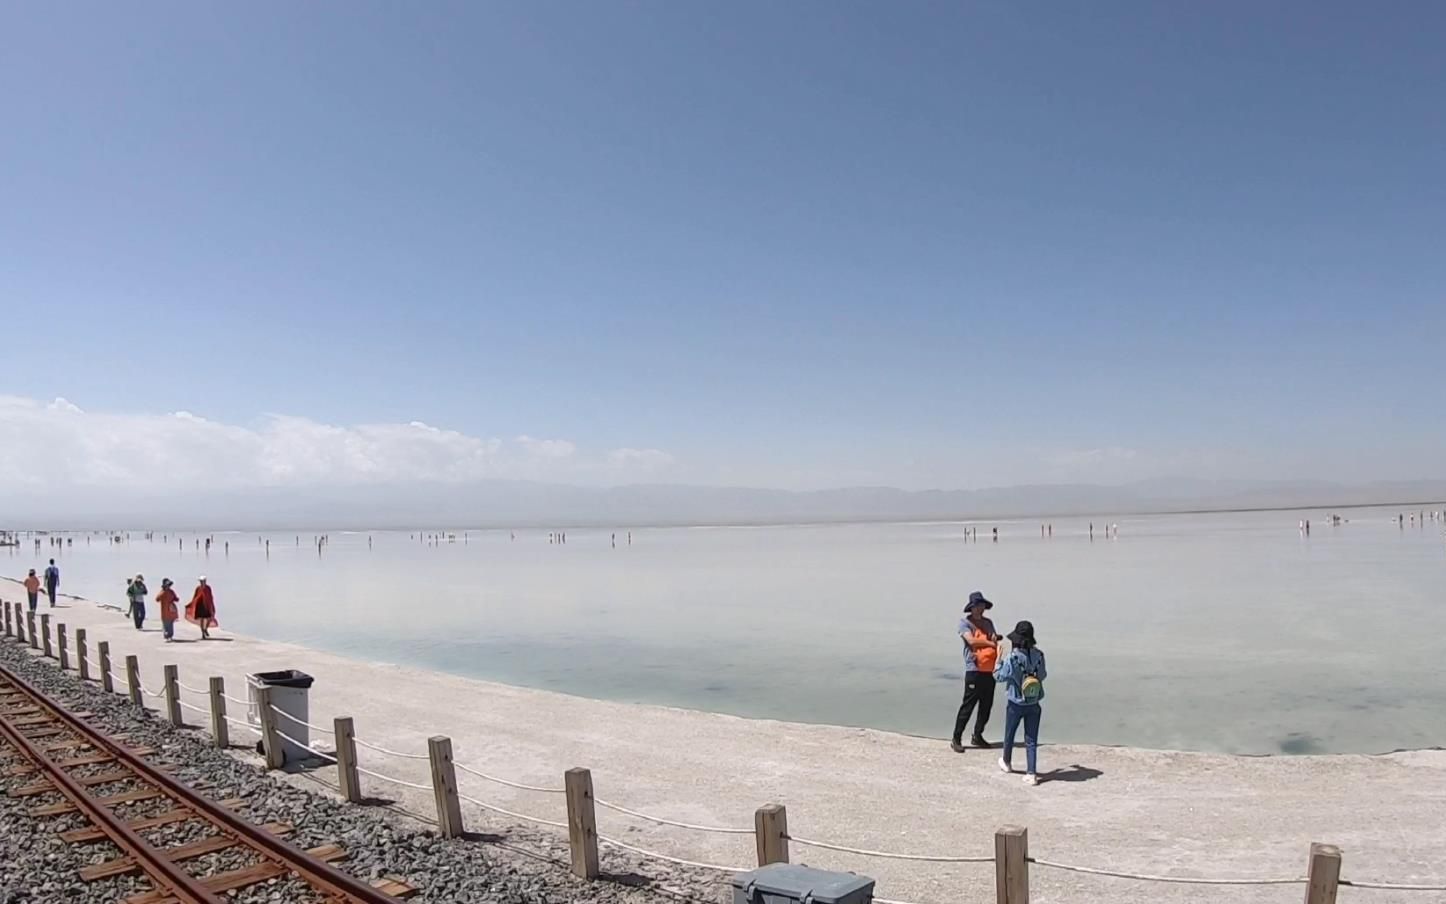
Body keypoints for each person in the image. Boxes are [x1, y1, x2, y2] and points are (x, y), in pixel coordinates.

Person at [994, 620, 1047, 785]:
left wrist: (998, 660)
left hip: (1016, 702)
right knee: (1031, 739)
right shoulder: (1040, 655)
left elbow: (998, 676)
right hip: (1034, 702)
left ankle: (1007, 761)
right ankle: (1031, 773)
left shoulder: (1013, 657)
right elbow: (1043, 675)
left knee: (1009, 734)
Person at [950, 591, 1001, 752]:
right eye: (978, 606)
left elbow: (992, 637)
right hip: (974, 669)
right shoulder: (964, 623)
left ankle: (977, 736)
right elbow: (971, 640)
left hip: (990, 670)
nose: (981, 608)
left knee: (986, 706)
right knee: (968, 705)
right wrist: (989, 643)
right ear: (972, 607)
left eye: (982, 606)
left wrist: (993, 640)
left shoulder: (988, 622)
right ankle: (956, 738)